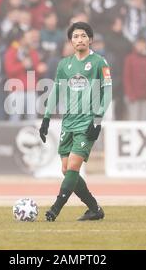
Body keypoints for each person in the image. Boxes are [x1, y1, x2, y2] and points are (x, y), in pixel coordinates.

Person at [39, 22, 112, 222]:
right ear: (71, 41)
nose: (79, 39)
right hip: (68, 121)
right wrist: (46, 117)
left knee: (72, 167)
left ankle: (55, 208)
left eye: (83, 36)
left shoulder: (99, 62)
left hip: (87, 121)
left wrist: (97, 120)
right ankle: (94, 209)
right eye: (75, 36)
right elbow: (56, 91)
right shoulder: (64, 64)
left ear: (90, 39)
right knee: (66, 169)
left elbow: (107, 92)